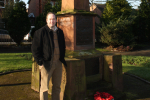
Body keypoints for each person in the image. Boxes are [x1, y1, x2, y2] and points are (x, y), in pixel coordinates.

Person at [31, 12, 67, 100]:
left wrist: (61, 58)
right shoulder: (40, 32)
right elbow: (35, 49)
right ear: (47, 20)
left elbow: (63, 46)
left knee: (57, 87)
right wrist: (40, 62)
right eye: (50, 19)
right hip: (46, 64)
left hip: (58, 63)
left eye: (54, 19)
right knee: (44, 88)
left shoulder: (60, 32)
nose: (52, 21)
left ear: (56, 20)